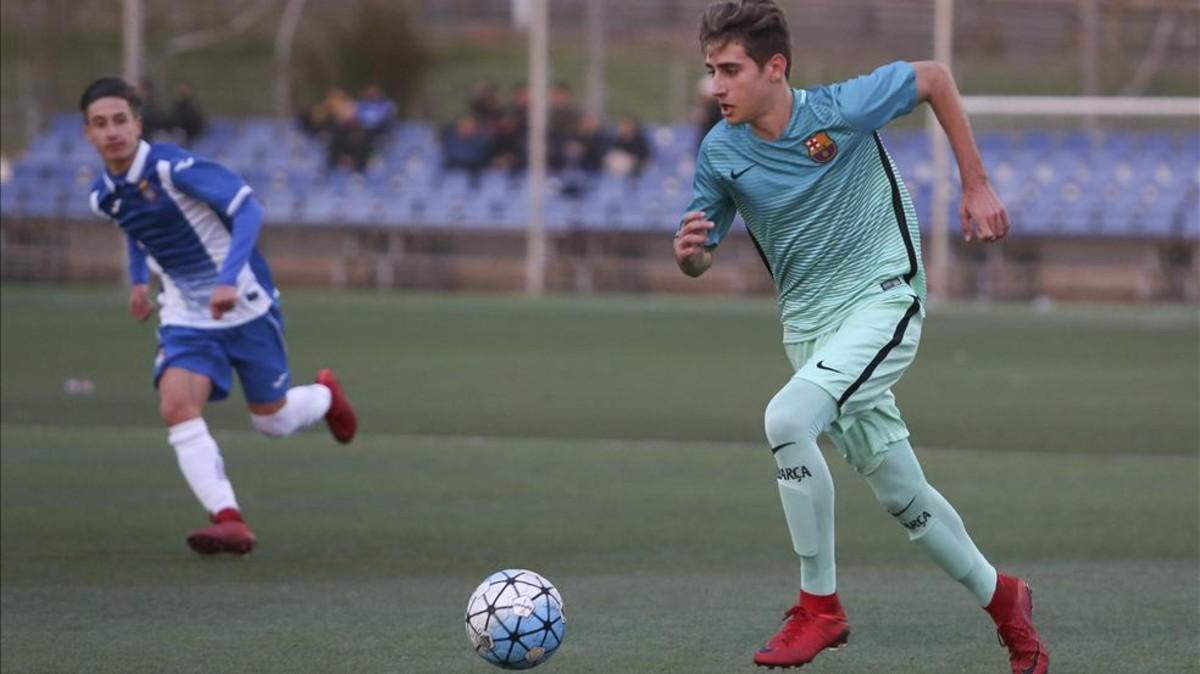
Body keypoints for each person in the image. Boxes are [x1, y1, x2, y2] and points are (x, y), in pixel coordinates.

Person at [672, 3, 1048, 672]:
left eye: (730, 70)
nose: (718, 86)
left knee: (787, 419)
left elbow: (933, 77)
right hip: (811, 331)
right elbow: (703, 248)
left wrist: (977, 183)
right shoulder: (721, 152)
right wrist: (691, 255)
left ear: (775, 68)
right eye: (711, 71)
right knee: (904, 498)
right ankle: (1005, 600)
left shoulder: (839, 110)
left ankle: (820, 607)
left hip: (883, 300)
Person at [80, 77, 358, 556]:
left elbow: (248, 209)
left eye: (120, 120)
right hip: (187, 315)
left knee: (270, 421)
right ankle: (229, 519)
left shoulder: (172, 168)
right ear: (88, 134)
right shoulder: (102, 195)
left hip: (246, 304)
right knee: (175, 406)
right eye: (100, 124)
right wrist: (137, 282)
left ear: (138, 123)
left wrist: (229, 278)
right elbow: (133, 227)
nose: (112, 132)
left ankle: (324, 395)